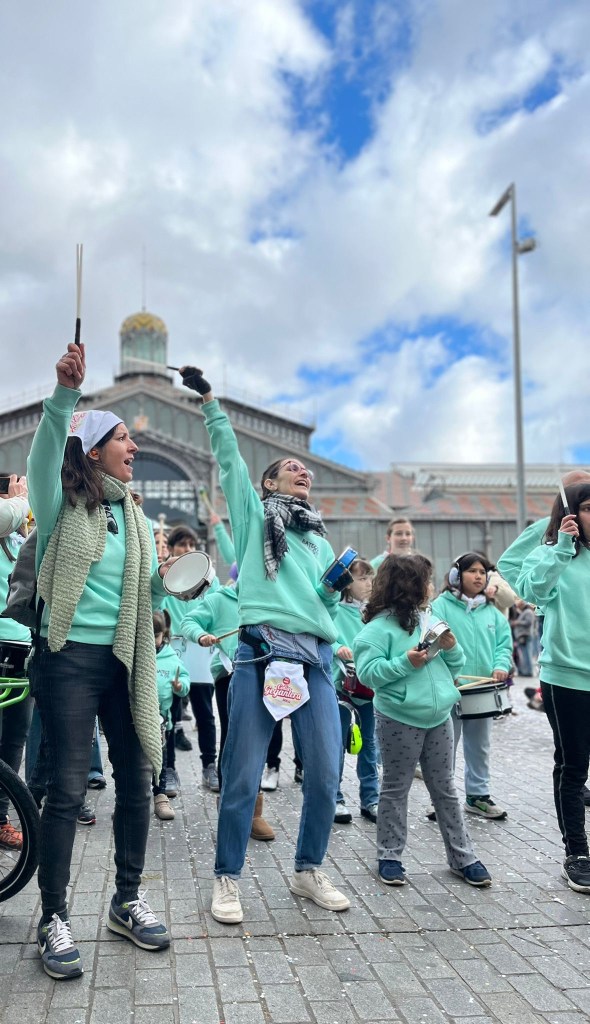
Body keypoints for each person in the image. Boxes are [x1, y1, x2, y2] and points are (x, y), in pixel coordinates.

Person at [179, 365, 349, 925]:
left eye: (306, 468)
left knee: (325, 774)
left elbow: (328, 610)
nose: (303, 470)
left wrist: (335, 599)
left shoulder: (318, 541)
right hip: (259, 656)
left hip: (315, 662)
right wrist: (210, 403)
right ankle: (227, 878)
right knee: (243, 773)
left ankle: (308, 869)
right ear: (269, 485)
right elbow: (230, 460)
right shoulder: (255, 522)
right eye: (289, 467)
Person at [27, 342, 170, 980]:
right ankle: (53, 916)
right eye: (122, 439)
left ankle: (126, 900)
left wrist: (175, 583)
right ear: (91, 451)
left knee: (134, 780)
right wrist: (65, 395)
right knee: (66, 788)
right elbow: (42, 453)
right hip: (68, 658)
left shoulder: (134, 517)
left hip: (126, 657)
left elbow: (146, 594)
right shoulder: (61, 502)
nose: (134, 446)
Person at [353, 553, 491, 887]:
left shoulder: (430, 619)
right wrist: (405, 662)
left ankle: (463, 857)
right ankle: (389, 856)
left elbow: (453, 666)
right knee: (395, 788)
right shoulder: (377, 630)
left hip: (439, 716)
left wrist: (452, 648)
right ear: (408, 586)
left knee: (445, 788)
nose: (431, 586)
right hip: (398, 718)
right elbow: (368, 674)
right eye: (425, 581)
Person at [513, 483, 590, 892]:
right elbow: (533, 591)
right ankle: (577, 852)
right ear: (571, 514)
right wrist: (562, 547)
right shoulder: (551, 554)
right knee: (574, 766)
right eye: (589, 508)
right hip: (567, 675)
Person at [180, 579, 275, 840]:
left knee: (258, 739)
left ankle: (254, 810)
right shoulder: (219, 600)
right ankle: (230, 804)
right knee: (234, 737)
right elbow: (189, 621)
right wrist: (201, 636)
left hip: (268, 673)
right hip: (230, 674)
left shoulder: (269, 596)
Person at [432, 553, 512, 820]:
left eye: (482, 572)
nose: (478, 576)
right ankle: (440, 798)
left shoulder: (492, 612)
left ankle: (478, 796)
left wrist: (500, 665)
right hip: (449, 689)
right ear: (457, 575)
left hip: (482, 692)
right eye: (472, 571)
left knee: (480, 746)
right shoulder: (440, 607)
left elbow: (503, 645)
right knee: (445, 746)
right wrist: (446, 673)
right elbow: (431, 642)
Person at [161, 523, 219, 790]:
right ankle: (168, 769)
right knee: (170, 714)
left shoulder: (209, 578)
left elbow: (216, 609)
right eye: (182, 545)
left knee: (205, 713)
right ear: (171, 549)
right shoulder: (164, 577)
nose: (188, 549)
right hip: (173, 651)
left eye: (192, 545)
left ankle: (210, 766)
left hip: (200, 652)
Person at [332, 558, 379, 824]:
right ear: (347, 583)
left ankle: (371, 798)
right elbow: (324, 634)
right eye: (362, 578)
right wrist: (337, 647)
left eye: (370, 577)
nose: (368, 583)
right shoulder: (334, 609)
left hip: (368, 686)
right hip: (340, 685)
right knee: (337, 742)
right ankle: (335, 798)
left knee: (369, 743)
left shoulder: (375, 613)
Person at [0, 474, 32, 850]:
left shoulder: (20, 537)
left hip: (22, 645)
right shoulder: (10, 512)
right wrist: (21, 499)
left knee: (14, 737)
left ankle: (1, 816)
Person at [152, 609, 190, 820]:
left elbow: (184, 679)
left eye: (156, 636)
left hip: (161, 719)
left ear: (164, 635)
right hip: (136, 717)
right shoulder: (138, 654)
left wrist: (180, 686)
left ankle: (161, 796)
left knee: (161, 760)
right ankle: (130, 800)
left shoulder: (171, 658)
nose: (153, 640)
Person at [511, 600, 537, 677]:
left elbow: (528, 622)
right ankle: (525, 671)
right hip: (523, 635)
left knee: (527, 655)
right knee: (524, 655)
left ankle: (528, 671)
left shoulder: (528, 612)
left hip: (525, 635)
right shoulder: (525, 612)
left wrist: (517, 622)